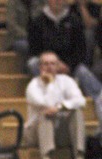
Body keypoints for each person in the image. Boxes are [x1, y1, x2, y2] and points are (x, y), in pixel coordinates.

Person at [27, 0, 102, 129]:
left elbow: (80, 50)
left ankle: (99, 96)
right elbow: (34, 49)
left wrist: (68, 65)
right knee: (32, 63)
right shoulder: (37, 21)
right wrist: (52, 63)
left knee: (83, 71)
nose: (58, 1)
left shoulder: (74, 21)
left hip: (68, 65)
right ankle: (47, 91)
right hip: (46, 63)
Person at [23, 51, 87, 159]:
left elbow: (81, 101)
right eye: (45, 64)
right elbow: (46, 104)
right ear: (40, 67)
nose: (49, 67)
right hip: (35, 133)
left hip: (59, 131)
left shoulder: (67, 81)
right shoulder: (33, 85)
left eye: (53, 64)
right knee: (45, 113)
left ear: (58, 66)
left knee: (77, 112)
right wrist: (49, 83)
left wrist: (61, 106)